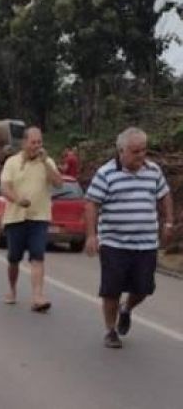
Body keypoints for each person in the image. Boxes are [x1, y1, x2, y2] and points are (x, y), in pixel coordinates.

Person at [84, 127, 174, 349]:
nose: (141, 156)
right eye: (135, 151)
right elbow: (91, 203)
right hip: (114, 243)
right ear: (121, 151)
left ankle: (127, 309)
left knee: (143, 288)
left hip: (146, 243)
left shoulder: (153, 170)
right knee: (111, 290)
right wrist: (91, 235)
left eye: (144, 150)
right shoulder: (106, 173)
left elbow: (164, 195)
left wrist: (168, 222)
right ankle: (110, 330)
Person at [0, 127, 63, 311]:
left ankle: (38, 296)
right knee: (14, 258)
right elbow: (5, 188)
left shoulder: (47, 162)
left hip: (39, 217)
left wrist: (46, 164)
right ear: (24, 143)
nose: (37, 146)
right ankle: (12, 289)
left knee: (37, 255)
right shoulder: (12, 162)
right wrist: (18, 200)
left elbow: (59, 184)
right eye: (33, 142)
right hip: (15, 217)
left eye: (39, 142)